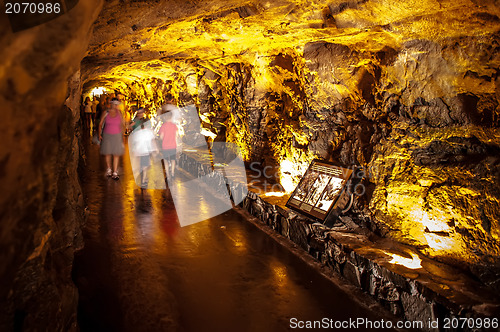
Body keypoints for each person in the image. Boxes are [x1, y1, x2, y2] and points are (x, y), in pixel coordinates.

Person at [98, 98, 125, 180]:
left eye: (117, 104)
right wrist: (99, 134)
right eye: (115, 104)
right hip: (107, 135)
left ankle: (115, 172)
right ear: (111, 104)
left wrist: (123, 134)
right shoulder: (106, 113)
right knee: (108, 152)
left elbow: (122, 124)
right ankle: (109, 169)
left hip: (117, 135)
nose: (116, 106)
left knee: (116, 153)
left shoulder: (119, 113)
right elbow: (100, 124)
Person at [158, 112, 178, 178]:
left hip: (165, 146)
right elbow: (176, 135)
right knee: (173, 159)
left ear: (165, 117)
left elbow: (161, 137)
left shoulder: (163, 126)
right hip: (173, 145)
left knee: (166, 160)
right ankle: (172, 173)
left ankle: (167, 174)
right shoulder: (174, 126)